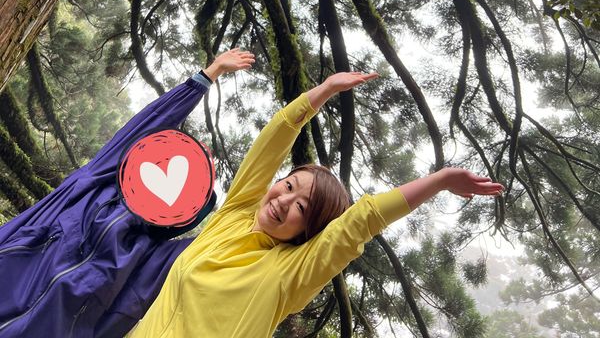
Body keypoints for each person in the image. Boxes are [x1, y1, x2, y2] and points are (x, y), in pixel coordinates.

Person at [127, 71, 504, 338]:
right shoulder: (233, 216)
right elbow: (272, 143)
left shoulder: (288, 275)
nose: (284, 201)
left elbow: (361, 221)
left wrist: (439, 180)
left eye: (303, 209)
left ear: (308, 230)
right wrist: (323, 91)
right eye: (289, 186)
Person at [0, 47, 255, 338]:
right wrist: (209, 75)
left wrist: (268, 216)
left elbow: (217, 247)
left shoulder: (149, 258)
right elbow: (151, 122)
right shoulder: (96, 184)